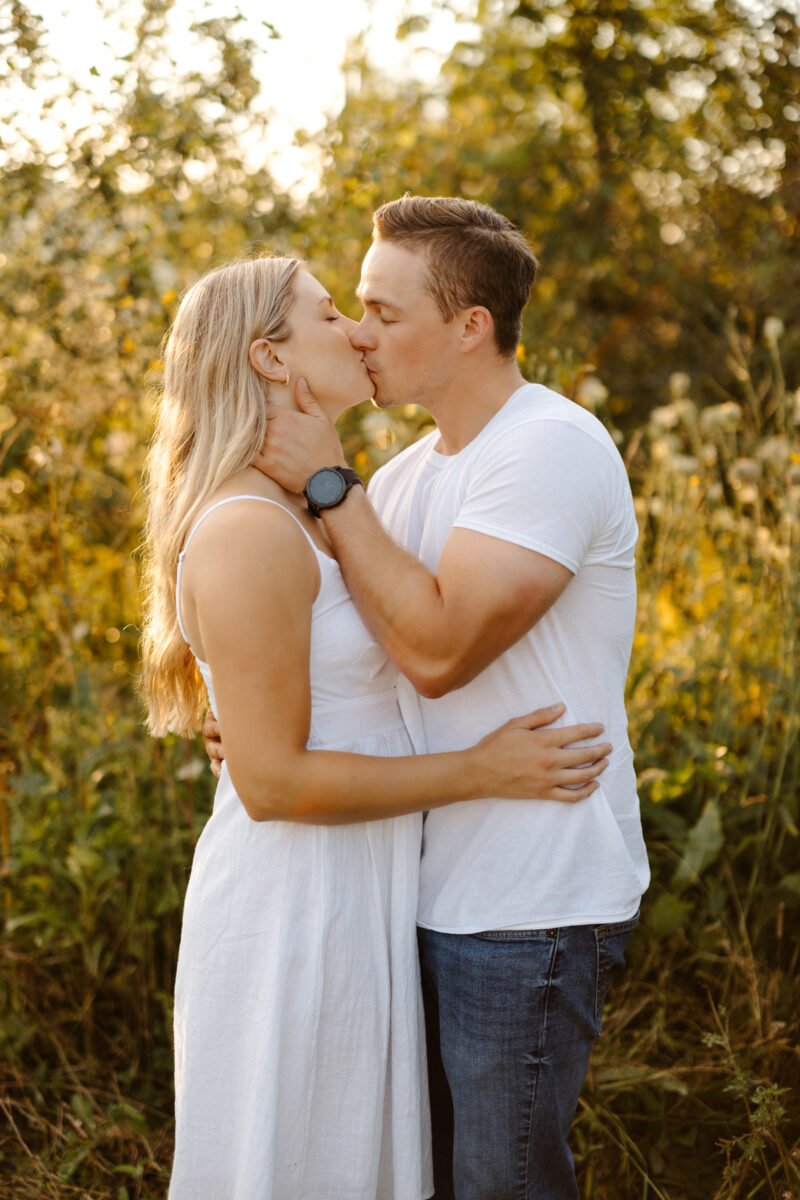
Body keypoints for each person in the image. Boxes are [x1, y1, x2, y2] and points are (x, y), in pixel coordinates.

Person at [139, 253, 614, 1200]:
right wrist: (480, 770)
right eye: (331, 315)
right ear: (270, 359)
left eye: (366, 312)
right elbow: (273, 786)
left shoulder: (336, 501)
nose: (355, 332)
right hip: (297, 909)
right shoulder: (253, 526)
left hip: (368, 890)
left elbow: (365, 672)